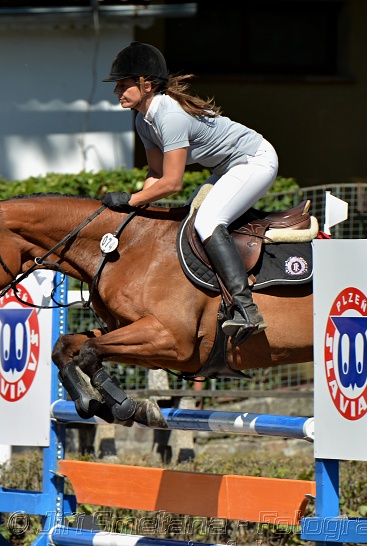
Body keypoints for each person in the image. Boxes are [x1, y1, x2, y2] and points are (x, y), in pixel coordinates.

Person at [101, 42, 279, 344]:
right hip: (227, 167)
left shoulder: (169, 116)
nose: (116, 90)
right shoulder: (144, 120)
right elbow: (155, 175)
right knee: (188, 219)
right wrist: (134, 209)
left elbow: (171, 183)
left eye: (123, 84)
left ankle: (246, 309)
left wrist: (130, 199)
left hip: (255, 160)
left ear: (146, 85)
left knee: (208, 222)